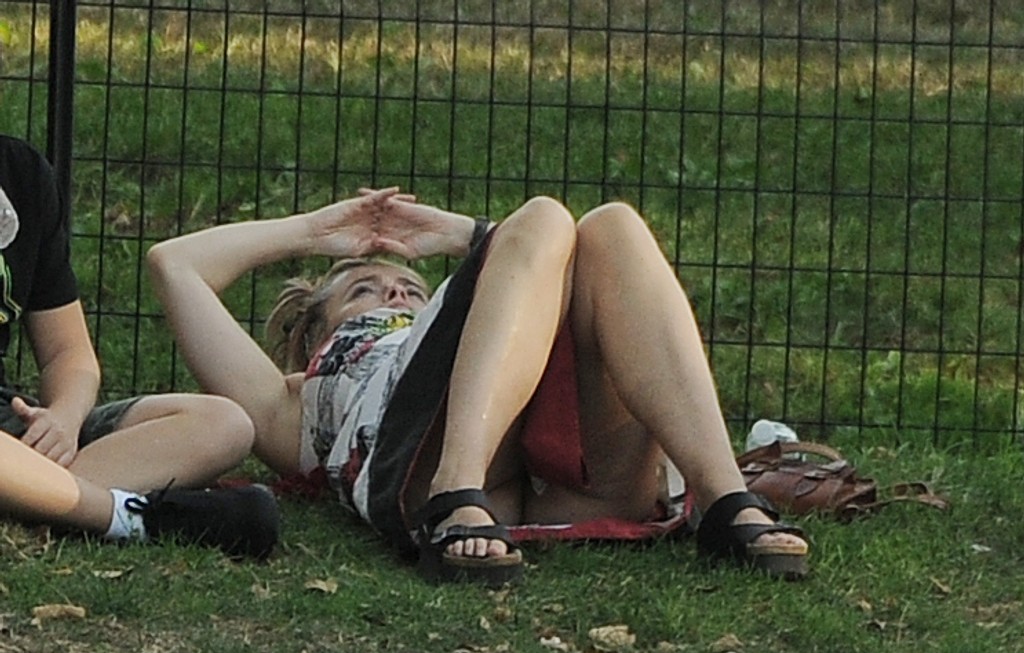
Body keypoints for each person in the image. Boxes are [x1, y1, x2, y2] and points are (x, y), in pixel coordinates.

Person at [147, 188, 810, 584]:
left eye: (411, 288)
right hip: (420, 471)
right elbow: (175, 264)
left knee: (614, 226)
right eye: (363, 289)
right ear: (312, 335)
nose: (395, 292)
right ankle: (454, 492)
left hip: (577, 483)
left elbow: (533, 281)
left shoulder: (464, 329)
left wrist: (472, 237)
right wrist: (315, 233)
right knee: (545, 216)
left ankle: (725, 500)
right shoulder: (297, 402)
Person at [0, 134, 280, 559]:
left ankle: (32, 495)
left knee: (223, 423)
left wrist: (63, 420)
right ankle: (127, 517)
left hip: (12, 431)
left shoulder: (21, 173)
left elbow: (68, 353)